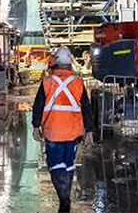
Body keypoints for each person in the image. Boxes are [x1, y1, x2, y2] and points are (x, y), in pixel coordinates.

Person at [31, 46, 94, 213]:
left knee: (55, 166)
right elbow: (87, 109)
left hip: (53, 132)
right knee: (68, 164)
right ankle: (65, 197)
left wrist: (35, 127)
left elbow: (38, 106)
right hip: (73, 133)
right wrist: (89, 131)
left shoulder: (47, 82)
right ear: (69, 64)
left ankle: (64, 199)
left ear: (56, 64)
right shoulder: (78, 83)